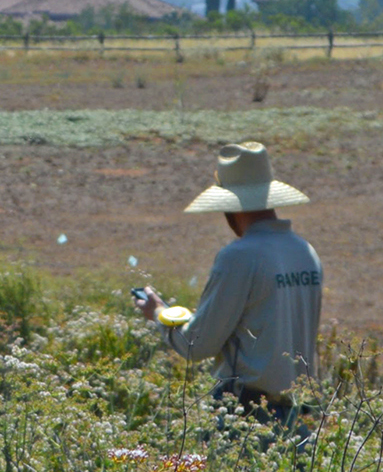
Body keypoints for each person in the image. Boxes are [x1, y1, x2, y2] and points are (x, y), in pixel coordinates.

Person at [134, 141, 322, 422]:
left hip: (245, 415)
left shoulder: (239, 257)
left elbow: (196, 345)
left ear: (230, 207)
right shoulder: (304, 252)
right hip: (297, 417)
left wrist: (159, 314)